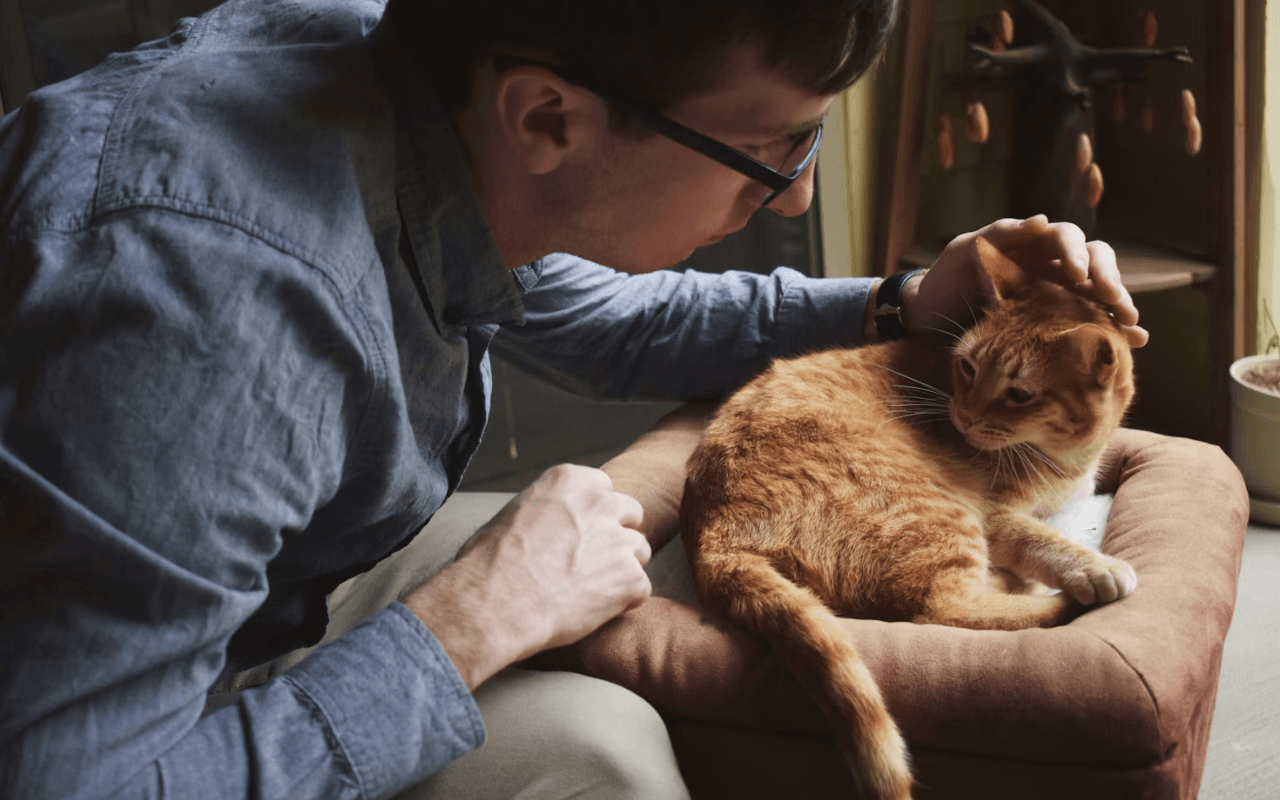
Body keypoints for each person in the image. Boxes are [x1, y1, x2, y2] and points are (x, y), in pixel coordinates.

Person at [0, 0, 1147, 798]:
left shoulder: (414, 79)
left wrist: (901, 301)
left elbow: (609, 319)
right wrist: (466, 623)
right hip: (119, 715)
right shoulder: (205, 325)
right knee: (599, 751)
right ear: (548, 117)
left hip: (267, 574)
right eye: (774, 147)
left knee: (656, 587)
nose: (797, 194)